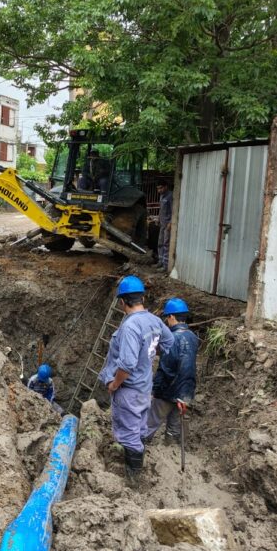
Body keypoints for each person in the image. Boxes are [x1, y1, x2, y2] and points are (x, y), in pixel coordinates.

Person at [98, 275, 174, 478]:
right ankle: (136, 468)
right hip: (144, 387)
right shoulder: (154, 320)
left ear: (122, 302)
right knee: (139, 427)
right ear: (142, 298)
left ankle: (134, 479)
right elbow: (169, 342)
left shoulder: (131, 326)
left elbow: (127, 365)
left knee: (129, 435)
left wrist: (114, 384)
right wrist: (148, 351)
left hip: (129, 390)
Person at [142, 298, 198, 444]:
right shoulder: (192, 337)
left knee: (150, 423)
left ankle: (138, 449)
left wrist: (154, 390)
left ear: (172, 316)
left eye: (167, 317)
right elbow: (187, 364)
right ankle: (169, 449)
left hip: (168, 390)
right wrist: (184, 395)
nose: (167, 321)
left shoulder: (171, 339)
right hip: (186, 391)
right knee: (173, 426)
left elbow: (165, 369)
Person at [156, 182, 173, 271]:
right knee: (160, 243)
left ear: (166, 187)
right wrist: (158, 219)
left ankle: (165, 266)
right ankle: (160, 261)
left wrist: (171, 222)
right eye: (158, 189)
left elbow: (173, 210)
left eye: (161, 188)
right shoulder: (161, 196)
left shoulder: (170, 196)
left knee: (166, 244)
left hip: (167, 225)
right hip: (162, 224)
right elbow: (161, 209)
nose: (159, 190)